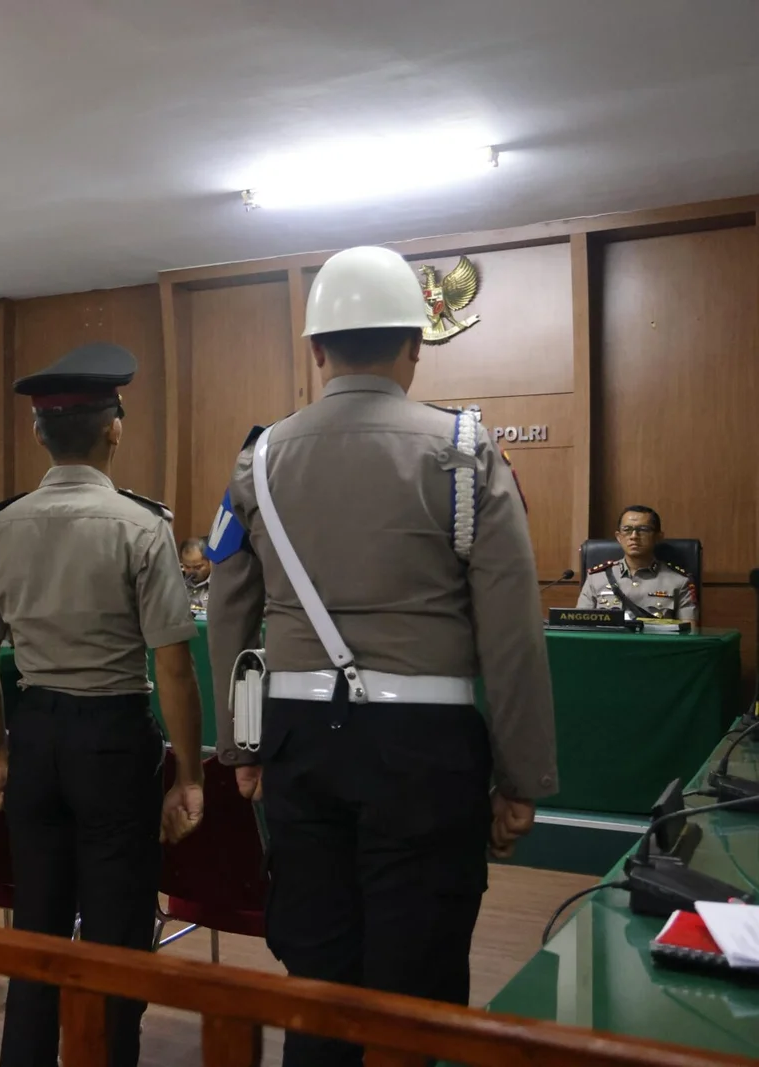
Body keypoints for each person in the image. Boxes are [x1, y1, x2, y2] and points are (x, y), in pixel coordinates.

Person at [206, 246, 558, 1067]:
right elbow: (512, 631)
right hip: (426, 750)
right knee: (417, 985)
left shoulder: (259, 458)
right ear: (415, 346)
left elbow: (228, 615)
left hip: (297, 741)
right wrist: (522, 777)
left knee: (317, 976)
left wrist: (243, 746)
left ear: (315, 350)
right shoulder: (466, 452)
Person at [0, 342, 205, 1067]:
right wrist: (189, 774)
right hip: (113, 737)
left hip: (35, 734)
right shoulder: (141, 526)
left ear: (40, 432)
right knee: (116, 933)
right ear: (114, 428)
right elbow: (173, 665)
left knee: (35, 928)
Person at [577, 505, 697, 621]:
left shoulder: (679, 581)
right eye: (627, 530)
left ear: (658, 537)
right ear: (618, 537)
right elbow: (580, 625)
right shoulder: (596, 578)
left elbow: (689, 631)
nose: (634, 536)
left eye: (643, 530)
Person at [179, 536, 212, 615]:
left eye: (198, 567)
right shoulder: (177, 583)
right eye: (187, 567)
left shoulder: (220, 584)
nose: (192, 572)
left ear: (210, 562)